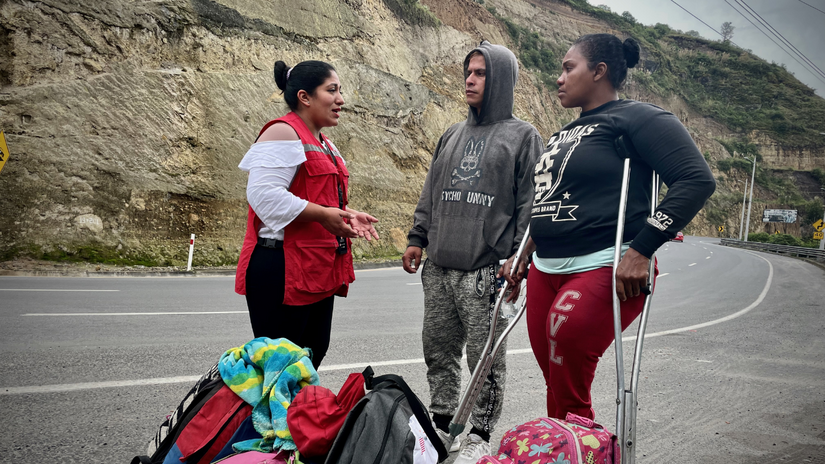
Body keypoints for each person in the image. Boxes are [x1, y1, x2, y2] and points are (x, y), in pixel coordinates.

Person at [500, 33, 716, 421]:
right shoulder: (562, 134)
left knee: (564, 343)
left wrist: (642, 250)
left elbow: (696, 181)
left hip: (609, 263)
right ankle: (562, 447)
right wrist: (522, 255)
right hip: (546, 268)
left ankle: (585, 449)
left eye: (569, 68)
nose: (559, 77)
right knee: (557, 375)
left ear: (599, 71)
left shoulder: (640, 118)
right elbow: (548, 201)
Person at [402, 41, 543, 463]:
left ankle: (478, 433)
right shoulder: (451, 133)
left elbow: (530, 204)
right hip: (440, 267)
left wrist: (518, 260)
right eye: (468, 71)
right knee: (437, 350)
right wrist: (417, 237)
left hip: (485, 272)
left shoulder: (523, 136)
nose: (470, 79)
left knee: (485, 360)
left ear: (499, 79)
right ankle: (442, 423)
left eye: (480, 73)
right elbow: (431, 191)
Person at [234, 59, 379, 369]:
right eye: (332, 90)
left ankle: (297, 417)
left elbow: (317, 198)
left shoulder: (327, 145)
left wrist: (346, 214)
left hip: (314, 268)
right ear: (304, 96)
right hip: (281, 268)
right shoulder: (282, 133)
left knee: (310, 359)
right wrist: (323, 215)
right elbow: (263, 196)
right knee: (280, 368)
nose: (341, 99)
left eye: (340, 91)